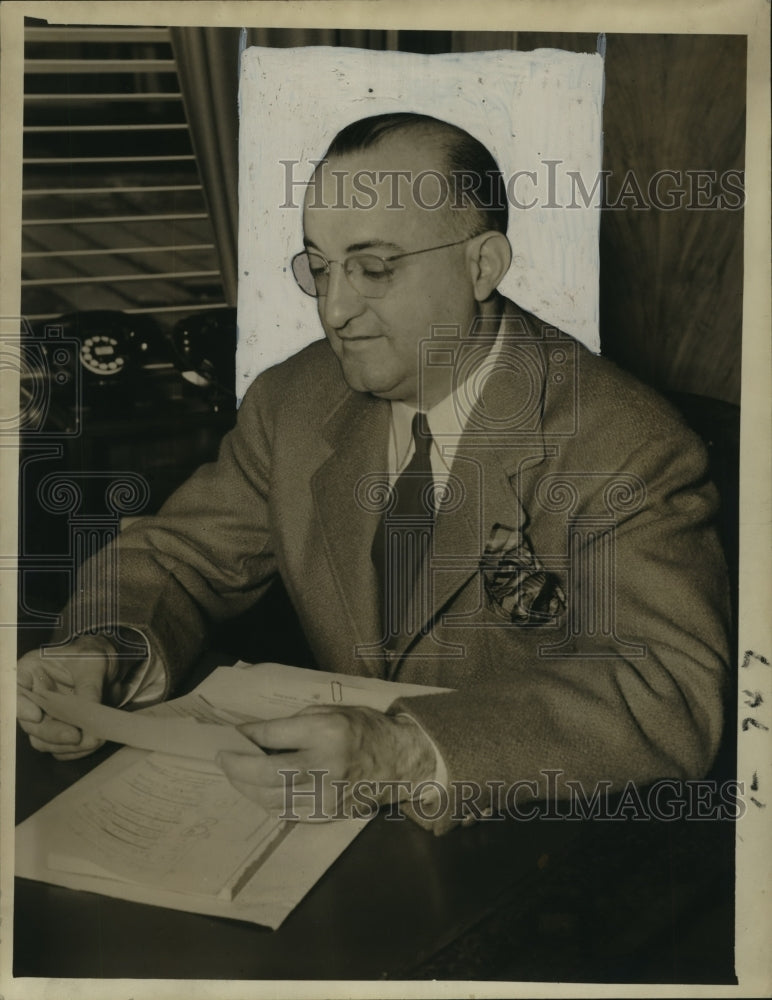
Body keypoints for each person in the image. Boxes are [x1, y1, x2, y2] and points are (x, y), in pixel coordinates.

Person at [17, 113, 730, 833]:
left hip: (532, 843)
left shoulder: (626, 443)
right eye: (319, 268)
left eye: (375, 268)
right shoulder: (293, 401)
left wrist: (405, 750)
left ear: (482, 266)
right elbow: (178, 554)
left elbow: (667, 689)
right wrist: (108, 648)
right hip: (333, 834)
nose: (335, 310)